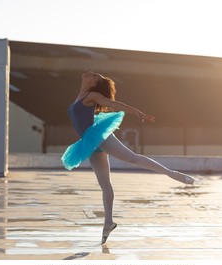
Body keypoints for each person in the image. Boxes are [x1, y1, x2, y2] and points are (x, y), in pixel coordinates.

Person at [61, 71, 195, 244]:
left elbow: (114, 104)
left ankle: (172, 173)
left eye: (95, 75)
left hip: (98, 136)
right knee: (105, 184)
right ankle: (108, 222)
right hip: (89, 143)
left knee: (132, 158)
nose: (91, 73)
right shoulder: (78, 98)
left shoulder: (91, 95)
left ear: (93, 83)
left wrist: (137, 112)